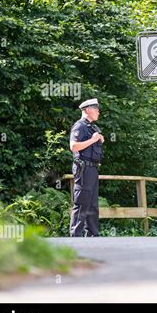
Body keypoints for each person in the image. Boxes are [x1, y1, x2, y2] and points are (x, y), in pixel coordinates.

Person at [69, 98, 104, 237]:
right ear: (87, 110)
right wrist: (93, 140)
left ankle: (92, 235)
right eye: (96, 109)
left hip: (93, 169)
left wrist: (99, 138)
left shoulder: (92, 127)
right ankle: (75, 236)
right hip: (83, 168)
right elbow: (73, 147)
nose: (98, 112)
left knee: (93, 205)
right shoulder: (80, 126)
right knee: (82, 202)